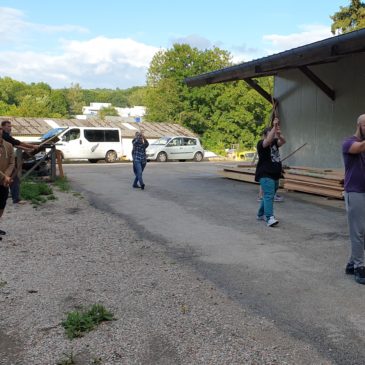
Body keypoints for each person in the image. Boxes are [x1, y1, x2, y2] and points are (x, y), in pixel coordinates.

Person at [342, 114, 365, 284]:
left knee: (362, 231)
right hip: (354, 192)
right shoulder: (348, 142)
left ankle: (351, 264)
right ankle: (359, 267)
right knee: (357, 232)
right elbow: (357, 148)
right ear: (359, 125)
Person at [255, 118, 286, 227]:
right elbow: (267, 141)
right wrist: (274, 126)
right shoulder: (261, 144)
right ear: (264, 136)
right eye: (270, 135)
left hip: (275, 174)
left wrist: (279, 134)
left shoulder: (274, 144)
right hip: (265, 174)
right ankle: (269, 218)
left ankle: (260, 214)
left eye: (273, 136)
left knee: (269, 196)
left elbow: (283, 141)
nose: (272, 138)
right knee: (268, 195)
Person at [1, 120, 40, 204]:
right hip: (2, 162)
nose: (10, 128)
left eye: (10, 126)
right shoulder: (4, 135)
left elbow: (14, 144)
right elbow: (17, 143)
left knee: (14, 178)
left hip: (7, 162)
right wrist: (32, 146)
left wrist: (27, 149)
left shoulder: (6, 136)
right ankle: (15, 198)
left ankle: (16, 199)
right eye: (8, 126)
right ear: (2, 127)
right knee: (9, 179)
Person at [0, 126, 15, 239]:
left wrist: (7, 176)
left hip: (4, 181)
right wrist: (4, 176)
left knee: (2, 204)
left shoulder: (8, 145)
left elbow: (12, 162)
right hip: (3, 178)